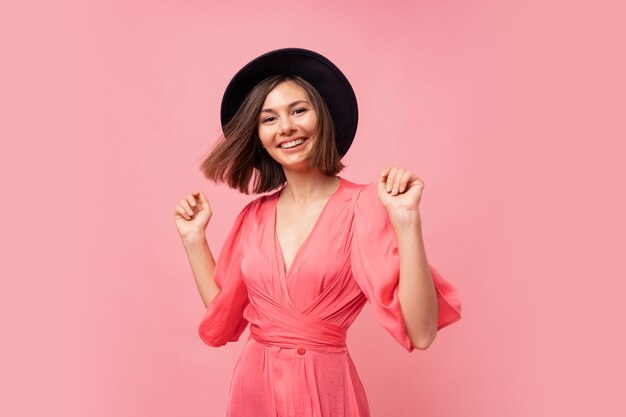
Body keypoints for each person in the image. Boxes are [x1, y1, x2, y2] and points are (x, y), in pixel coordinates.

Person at [174, 48, 462, 417]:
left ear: (321, 118)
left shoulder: (364, 207)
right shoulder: (253, 217)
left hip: (327, 392)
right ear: (258, 135)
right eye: (269, 118)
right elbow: (222, 324)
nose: (286, 127)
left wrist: (407, 221)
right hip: (254, 390)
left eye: (298, 110)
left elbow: (421, 332)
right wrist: (194, 240)